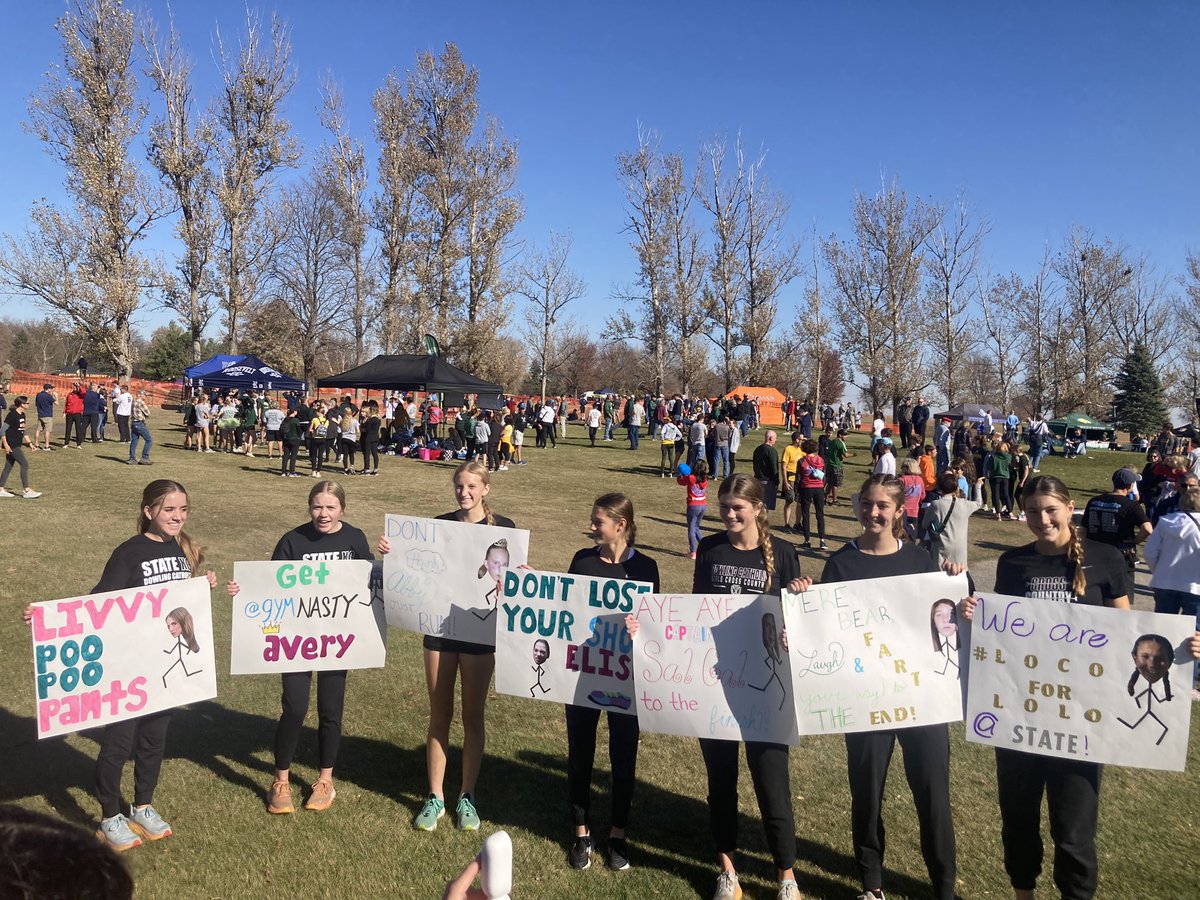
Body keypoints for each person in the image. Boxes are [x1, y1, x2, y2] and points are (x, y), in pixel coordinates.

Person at [960, 475, 1133, 900]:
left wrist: (1179, 649)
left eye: (1050, 509)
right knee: (1018, 821)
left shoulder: (1107, 559)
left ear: (1070, 508)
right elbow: (1002, 634)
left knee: (1073, 832)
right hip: (1019, 715)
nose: (1042, 519)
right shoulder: (1013, 563)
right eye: (1033, 511)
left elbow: (1130, 635)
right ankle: (1024, 894)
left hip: (1080, 721)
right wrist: (975, 617)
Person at [24, 480, 217, 850]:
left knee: (153, 740)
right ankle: (109, 815)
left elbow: (175, 601)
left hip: (162, 670)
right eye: (168, 510)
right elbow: (99, 601)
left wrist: (200, 585)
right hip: (128, 667)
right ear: (149, 512)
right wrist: (50, 616)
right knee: (118, 742)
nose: (177, 517)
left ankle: (142, 806)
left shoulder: (180, 548)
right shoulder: (128, 553)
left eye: (183, 510)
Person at [814, 474, 960, 900]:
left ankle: (944, 887)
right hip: (865, 701)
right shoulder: (840, 564)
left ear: (899, 511)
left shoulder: (921, 562)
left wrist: (955, 588)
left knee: (933, 795)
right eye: (866, 504)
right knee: (867, 792)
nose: (872, 513)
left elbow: (943, 625)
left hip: (922, 700)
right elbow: (823, 631)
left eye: (882, 506)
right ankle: (871, 882)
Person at [677, 474, 806, 900]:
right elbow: (696, 613)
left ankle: (786, 876)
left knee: (773, 784)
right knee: (721, 782)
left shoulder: (784, 554)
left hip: (766, 692)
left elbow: (798, 623)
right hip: (716, 684)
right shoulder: (711, 550)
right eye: (725, 507)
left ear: (758, 509)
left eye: (739, 508)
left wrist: (801, 610)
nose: (730, 515)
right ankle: (727, 870)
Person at [380, 461, 515, 833]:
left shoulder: (505, 530)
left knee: (473, 717)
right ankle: (436, 796)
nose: (464, 492)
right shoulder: (437, 525)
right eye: (459, 485)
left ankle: (467, 795)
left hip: (479, 633)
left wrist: (521, 580)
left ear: (486, 488)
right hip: (439, 631)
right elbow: (415, 566)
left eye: (472, 486)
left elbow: (515, 584)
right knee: (439, 715)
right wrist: (393, 551)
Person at [228, 480, 373, 814]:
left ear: (342, 509)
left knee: (330, 709)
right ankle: (280, 780)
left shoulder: (354, 539)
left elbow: (369, 584)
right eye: (317, 507)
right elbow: (269, 584)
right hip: (297, 639)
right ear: (309, 507)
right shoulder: (293, 540)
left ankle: (325, 780)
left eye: (330, 507)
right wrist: (243, 590)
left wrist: (388, 560)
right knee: (294, 707)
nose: (323, 514)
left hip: (337, 639)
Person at [565, 493, 660, 873]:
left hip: (626, 679)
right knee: (580, 754)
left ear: (620, 526)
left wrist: (641, 629)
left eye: (598, 522)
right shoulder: (582, 560)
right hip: (582, 674)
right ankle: (581, 831)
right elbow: (562, 609)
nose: (591, 527)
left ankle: (618, 835)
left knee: (623, 759)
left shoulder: (647, 568)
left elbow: (655, 626)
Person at [1142, 482, 1200, 696]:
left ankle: (1156, 671)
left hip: (1164, 583)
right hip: (1195, 586)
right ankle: (1189, 682)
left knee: (1162, 632)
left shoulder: (1166, 522)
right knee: (1194, 637)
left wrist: (1159, 571)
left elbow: (1149, 552)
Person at [1083, 468, 1153, 597]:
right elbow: (1148, 529)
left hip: (1095, 552)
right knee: (1121, 595)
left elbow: (1083, 528)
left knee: (1096, 593)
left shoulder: (1094, 501)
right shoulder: (1131, 505)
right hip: (1121, 554)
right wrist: (1135, 541)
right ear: (1131, 485)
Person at [920, 470, 982, 567]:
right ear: (956, 487)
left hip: (941, 547)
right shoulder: (964, 504)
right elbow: (978, 503)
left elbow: (924, 524)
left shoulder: (936, 505)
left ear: (939, 488)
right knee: (959, 573)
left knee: (940, 575)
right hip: (959, 547)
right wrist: (978, 487)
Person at [0, 396, 43, 498]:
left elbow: (23, 431)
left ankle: (0, 489)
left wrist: (30, 444)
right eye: (27, 403)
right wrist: (6, 445)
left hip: (17, 443)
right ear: (22, 404)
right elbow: (2, 431)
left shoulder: (23, 415)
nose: (29, 405)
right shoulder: (12, 415)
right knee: (24, 464)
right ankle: (26, 490)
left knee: (8, 466)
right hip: (11, 444)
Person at [797, 439, 828, 550]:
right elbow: (824, 476)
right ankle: (822, 540)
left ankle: (807, 540)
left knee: (806, 514)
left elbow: (798, 478)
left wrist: (798, 493)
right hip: (819, 488)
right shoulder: (821, 460)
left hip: (806, 488)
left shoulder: (801, 461)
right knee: (820, 514)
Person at [678, 459, 709, 560]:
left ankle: (693, 552)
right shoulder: (705, 479)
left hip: (693, 505)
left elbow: (681, 482)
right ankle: (706, 546)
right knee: (696, 527)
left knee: (691, 528)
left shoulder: (691, 478)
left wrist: (680, 474)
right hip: (703, 505)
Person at [779, 431, 805, 532]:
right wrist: (785, 481)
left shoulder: (802, 450)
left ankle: (797, 524)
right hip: (790, 477)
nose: (803, 441)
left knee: (800, 502)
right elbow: (783, 466)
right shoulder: (788, 449)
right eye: (801, 439)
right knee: (789, 501)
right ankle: (786, 524)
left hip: (799, 478)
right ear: (797, 440)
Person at [752, 429, 780, 511]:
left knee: (758, 503)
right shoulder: (772, 451)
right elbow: (774, 467)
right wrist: (776, 480)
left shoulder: (757, 449)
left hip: (757, 479)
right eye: (775, 438)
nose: (776, 440)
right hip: (768, 481)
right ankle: (762, 522)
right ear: (771, 438)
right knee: (765, 505)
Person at [127, 390, 153, 466]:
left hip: (133, 423)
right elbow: (147, 413)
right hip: (139, 423)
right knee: (149, 440)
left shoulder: (134, 401)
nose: (146, 397)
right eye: (145, 395)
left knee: (134, 441)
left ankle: (132, 458)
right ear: (141, 395)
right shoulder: (141, 402)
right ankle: (145, 457)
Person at [34, 383, 56, 451]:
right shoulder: (48, 396)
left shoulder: (38, 394)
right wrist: (55, 396)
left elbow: (36, 404)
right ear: (48, 389)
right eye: (51, 388)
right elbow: (56, 402)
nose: (52, 390)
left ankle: (36, 444)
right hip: (48, 415)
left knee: (38, 429)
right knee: (48, 431)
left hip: (40, 414)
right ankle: (47, 446)